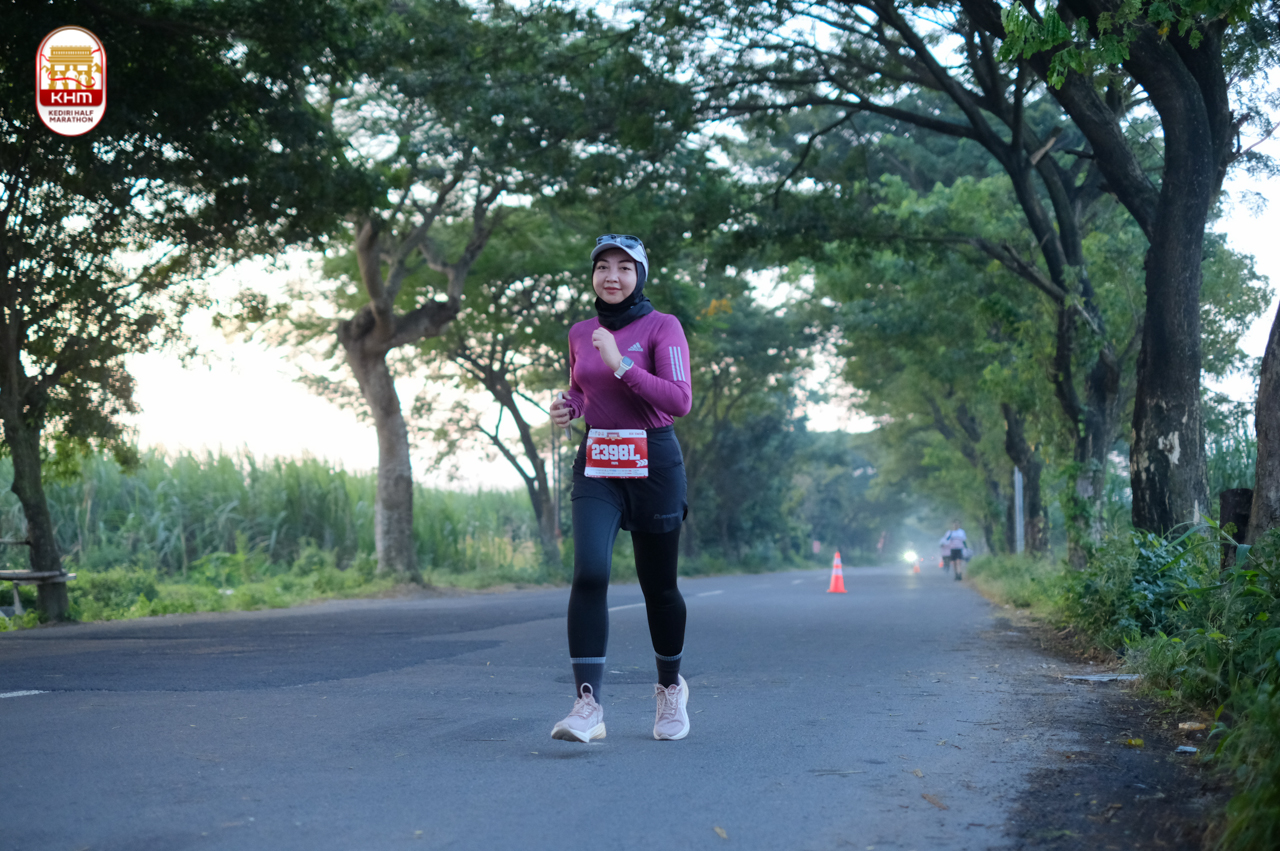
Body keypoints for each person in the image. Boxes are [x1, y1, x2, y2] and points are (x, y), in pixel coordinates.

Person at [547, 234, 693, 743]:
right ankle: (587, 705)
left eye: (624, 268)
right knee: (590, 573)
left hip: (654, 463)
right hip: (600, 462)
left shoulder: (663, 327)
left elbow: (679, 400)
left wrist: (622, 364)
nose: (612, 276)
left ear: (640, 276)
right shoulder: (580, 332)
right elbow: (581, 391)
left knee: (659, 587)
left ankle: (670, 688)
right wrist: (568, 407)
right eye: (603, 267)